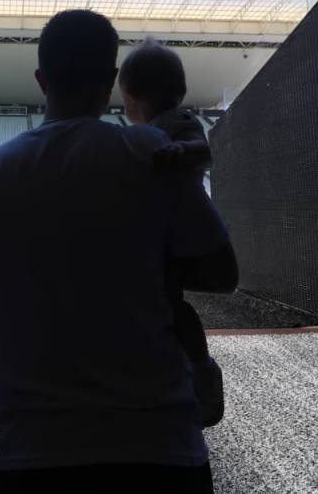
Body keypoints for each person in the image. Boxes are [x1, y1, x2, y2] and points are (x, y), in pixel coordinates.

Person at [0, 10, 238, 492]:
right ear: (111, 80)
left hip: (33, 452)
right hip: (159, 444)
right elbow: (222, 272)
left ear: (41, 80)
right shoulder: (151, 152)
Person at [118, 37, 224, 428]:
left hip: (194, 240)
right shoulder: (154, 130)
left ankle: (200, 369)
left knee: (169, 304)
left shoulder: (178, 122)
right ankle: (190, 367)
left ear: (128, 97)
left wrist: (180, 154)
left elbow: (203, 150)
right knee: (166, 303)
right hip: (179, 238)